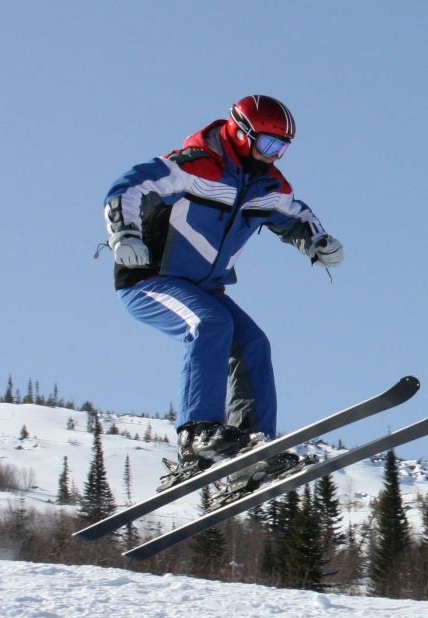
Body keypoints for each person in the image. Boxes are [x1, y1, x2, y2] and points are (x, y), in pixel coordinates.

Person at [103, 95, 343, 492]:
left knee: (252, 343)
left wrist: (318, 241)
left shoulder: (268, 186)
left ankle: (251, 450)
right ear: (240, 132)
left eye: (282, 148)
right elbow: (127, 187)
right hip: (149, 279)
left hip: (203, 289)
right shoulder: (194, 166)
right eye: (268, 145)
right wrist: (124, 234)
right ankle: (198, 435)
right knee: (211, 323)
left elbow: (296, 215)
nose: (274, 155)